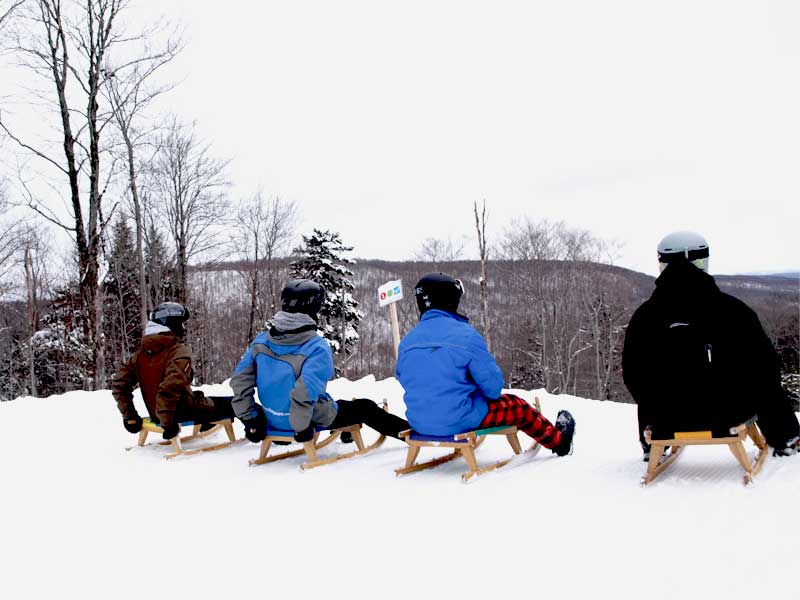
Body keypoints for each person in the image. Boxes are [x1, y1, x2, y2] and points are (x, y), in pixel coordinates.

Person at [622, 231, 800, 460]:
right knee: (764, 378)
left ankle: (652, 446)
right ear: (701, 261)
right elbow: (767, 368)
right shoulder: (733, 311)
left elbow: (633, 375)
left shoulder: (644, 318)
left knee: (647, 381)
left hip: (664, 419)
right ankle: (786, 438)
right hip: (727, 414)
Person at [395, 272, 576, 456]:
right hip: (459, 419)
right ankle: (559, 442)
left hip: (418, 421)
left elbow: (404, 379)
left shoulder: (407, 342)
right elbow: (493, 389)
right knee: (518, 406)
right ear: (451, 300)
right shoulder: (466, 336)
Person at [230, 279, 409, 444]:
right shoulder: (316, 347)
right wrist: (300, 427)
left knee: (339, 405)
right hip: (304, 422)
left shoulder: (261, 341)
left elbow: (239, 381)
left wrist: (250, 419)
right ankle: (409, 433)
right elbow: (304, 392)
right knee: (365, 407)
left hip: (272, 418)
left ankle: (344, 430)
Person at [112, 302, 234, 440]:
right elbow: (170, 388)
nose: (183, 328)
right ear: (172, 323)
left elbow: (119, 385)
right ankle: (257, 427)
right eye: (181, 324)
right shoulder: (178, 351)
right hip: (178, 413)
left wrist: (130, 417)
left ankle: (206, 424)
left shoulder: (140, 354)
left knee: (203, 398)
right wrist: (168, 423)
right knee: (236, 403)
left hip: (158, 413)